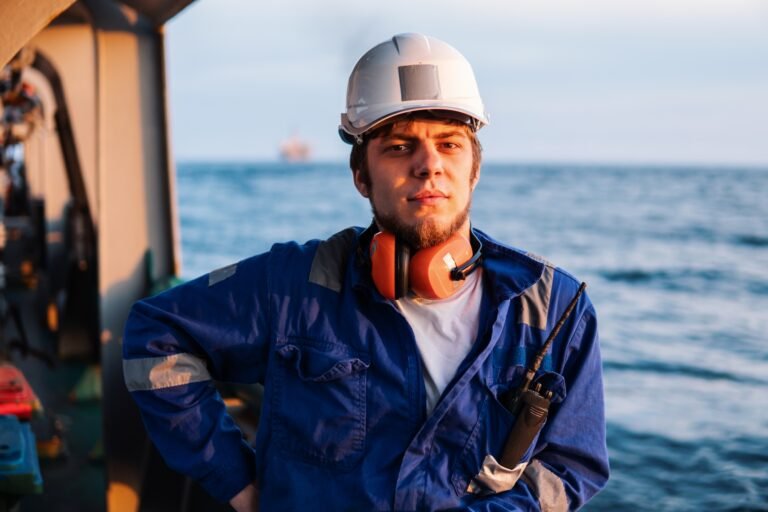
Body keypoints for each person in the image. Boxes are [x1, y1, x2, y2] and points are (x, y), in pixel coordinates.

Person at [123, 33, 609, 511]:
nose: (429, 165)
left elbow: (572, 464)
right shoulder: (295, 286)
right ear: (361, 175)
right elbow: (155, 334)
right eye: (399, 147)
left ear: (474, 168)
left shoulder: (555, 308)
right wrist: (237, 482)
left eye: (450, 144)